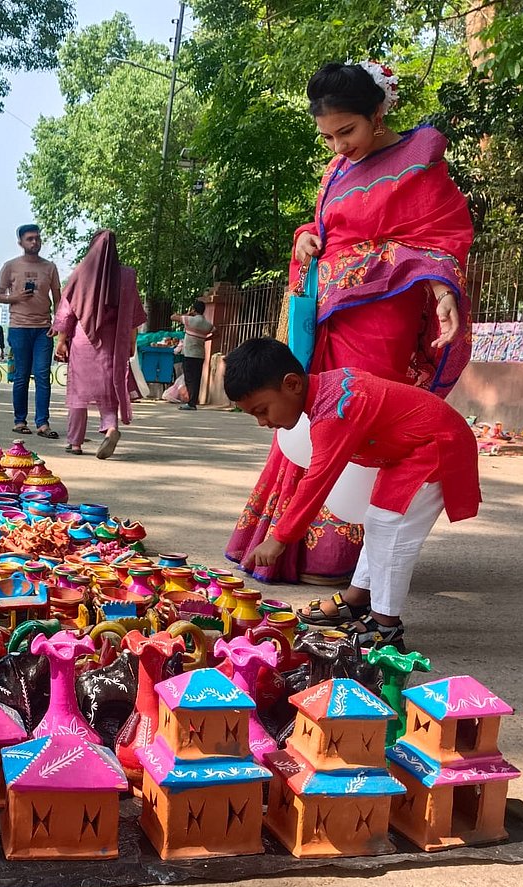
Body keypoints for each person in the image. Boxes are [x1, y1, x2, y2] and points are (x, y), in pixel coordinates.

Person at [225, 61, 474, 592]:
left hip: (384, 313)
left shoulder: (419, 160)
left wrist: (442, 288)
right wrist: (304, 241)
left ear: (378, 112)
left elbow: (440, 236)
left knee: (352, 423)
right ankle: (290, 546)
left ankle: (350, 557)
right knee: (308, 414)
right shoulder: (336, 170)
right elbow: (324, 228)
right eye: (329, 136)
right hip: (326, 314)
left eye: (348, 131)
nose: (339, 146)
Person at [225, 338, 479, 649]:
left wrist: (280, 538)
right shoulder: (327, 389)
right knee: (378, 521)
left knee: (390, 526)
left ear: (291, 384)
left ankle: (385, 626)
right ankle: (358, 598)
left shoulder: (334, 413)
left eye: (262, 410)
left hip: (437, 446)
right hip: (411, 449)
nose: (263, 422)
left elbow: (318, 480)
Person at [52, 230, 146, 459]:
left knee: (78, 394)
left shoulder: (81, 274)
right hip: (113, 343)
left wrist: (62, 341)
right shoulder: (126, 276)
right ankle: (111, 428)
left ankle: (75, 442)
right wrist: (131, 343)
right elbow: (133, 315)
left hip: (84, 341)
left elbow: (68, 311)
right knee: (109, 390)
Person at [0, 224, 62, 438]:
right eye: (30, 239)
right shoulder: (10, 266)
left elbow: (58, 298)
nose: (34, 242)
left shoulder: (50, 267)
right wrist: (15, 297)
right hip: (19, 327)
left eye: (37, 238)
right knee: (22, 375)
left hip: (43, 328)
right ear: (21, 243)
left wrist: (58, 323)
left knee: (43, 374)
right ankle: (20, 420)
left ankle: (43, 423)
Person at [174, 300, 214, 410]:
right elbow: (217, 332)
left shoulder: (190, 320)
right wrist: (205, 338)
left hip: (189, 353)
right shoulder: (207, 325)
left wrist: (188, 313)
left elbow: (173, 317)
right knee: (196, 378)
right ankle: (193, 401)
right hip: (200, 354)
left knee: (189, 378)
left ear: (194, 310)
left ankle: (191, 403)